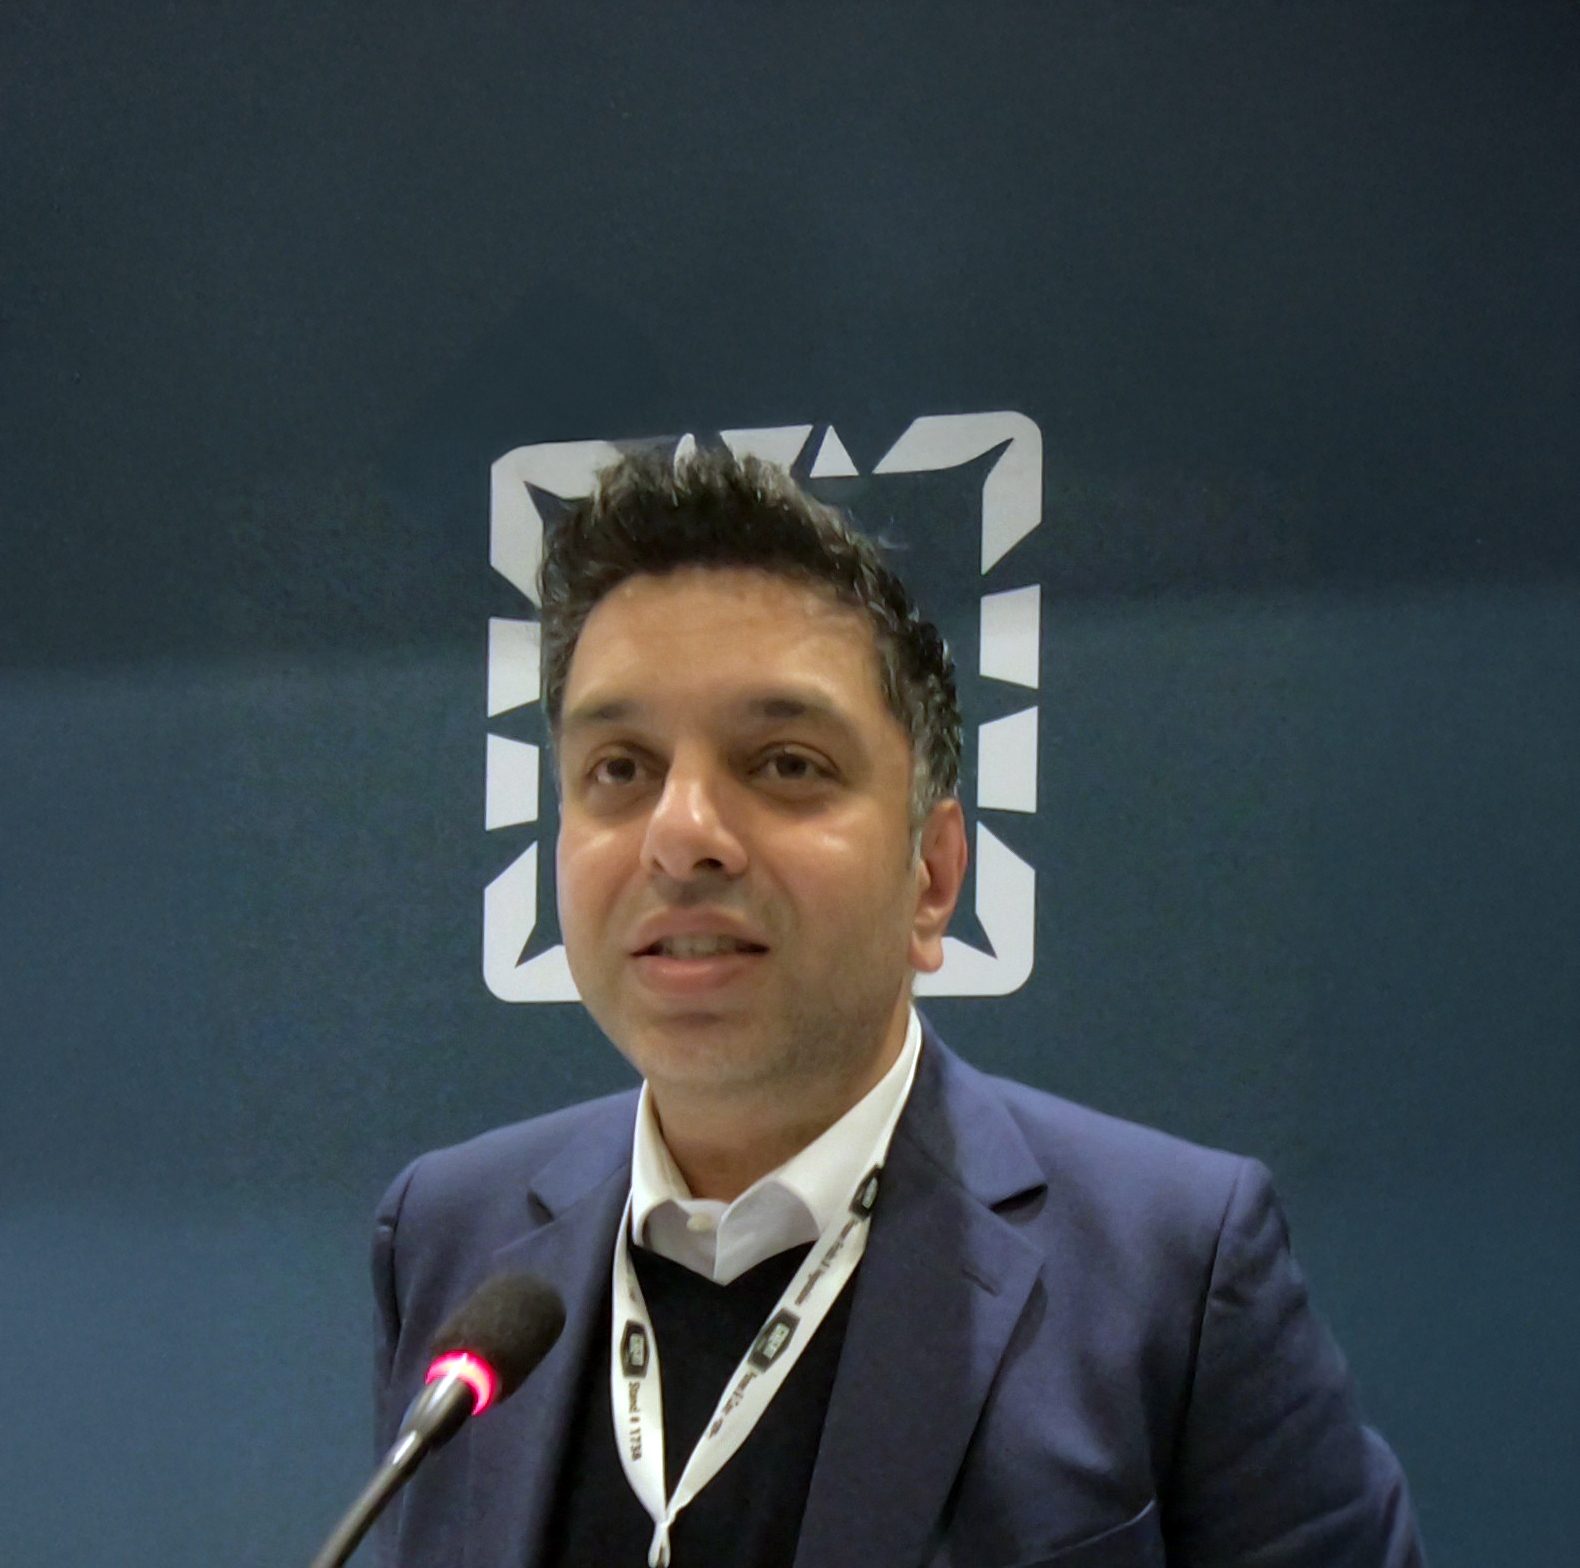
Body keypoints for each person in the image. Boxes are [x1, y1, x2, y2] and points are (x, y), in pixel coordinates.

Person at [372, 447, 1425, 1567]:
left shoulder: (1171, 1270)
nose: (681, 834)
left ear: (931, 877)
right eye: (619, 768)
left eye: (782, 763)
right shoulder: (449, 1233)